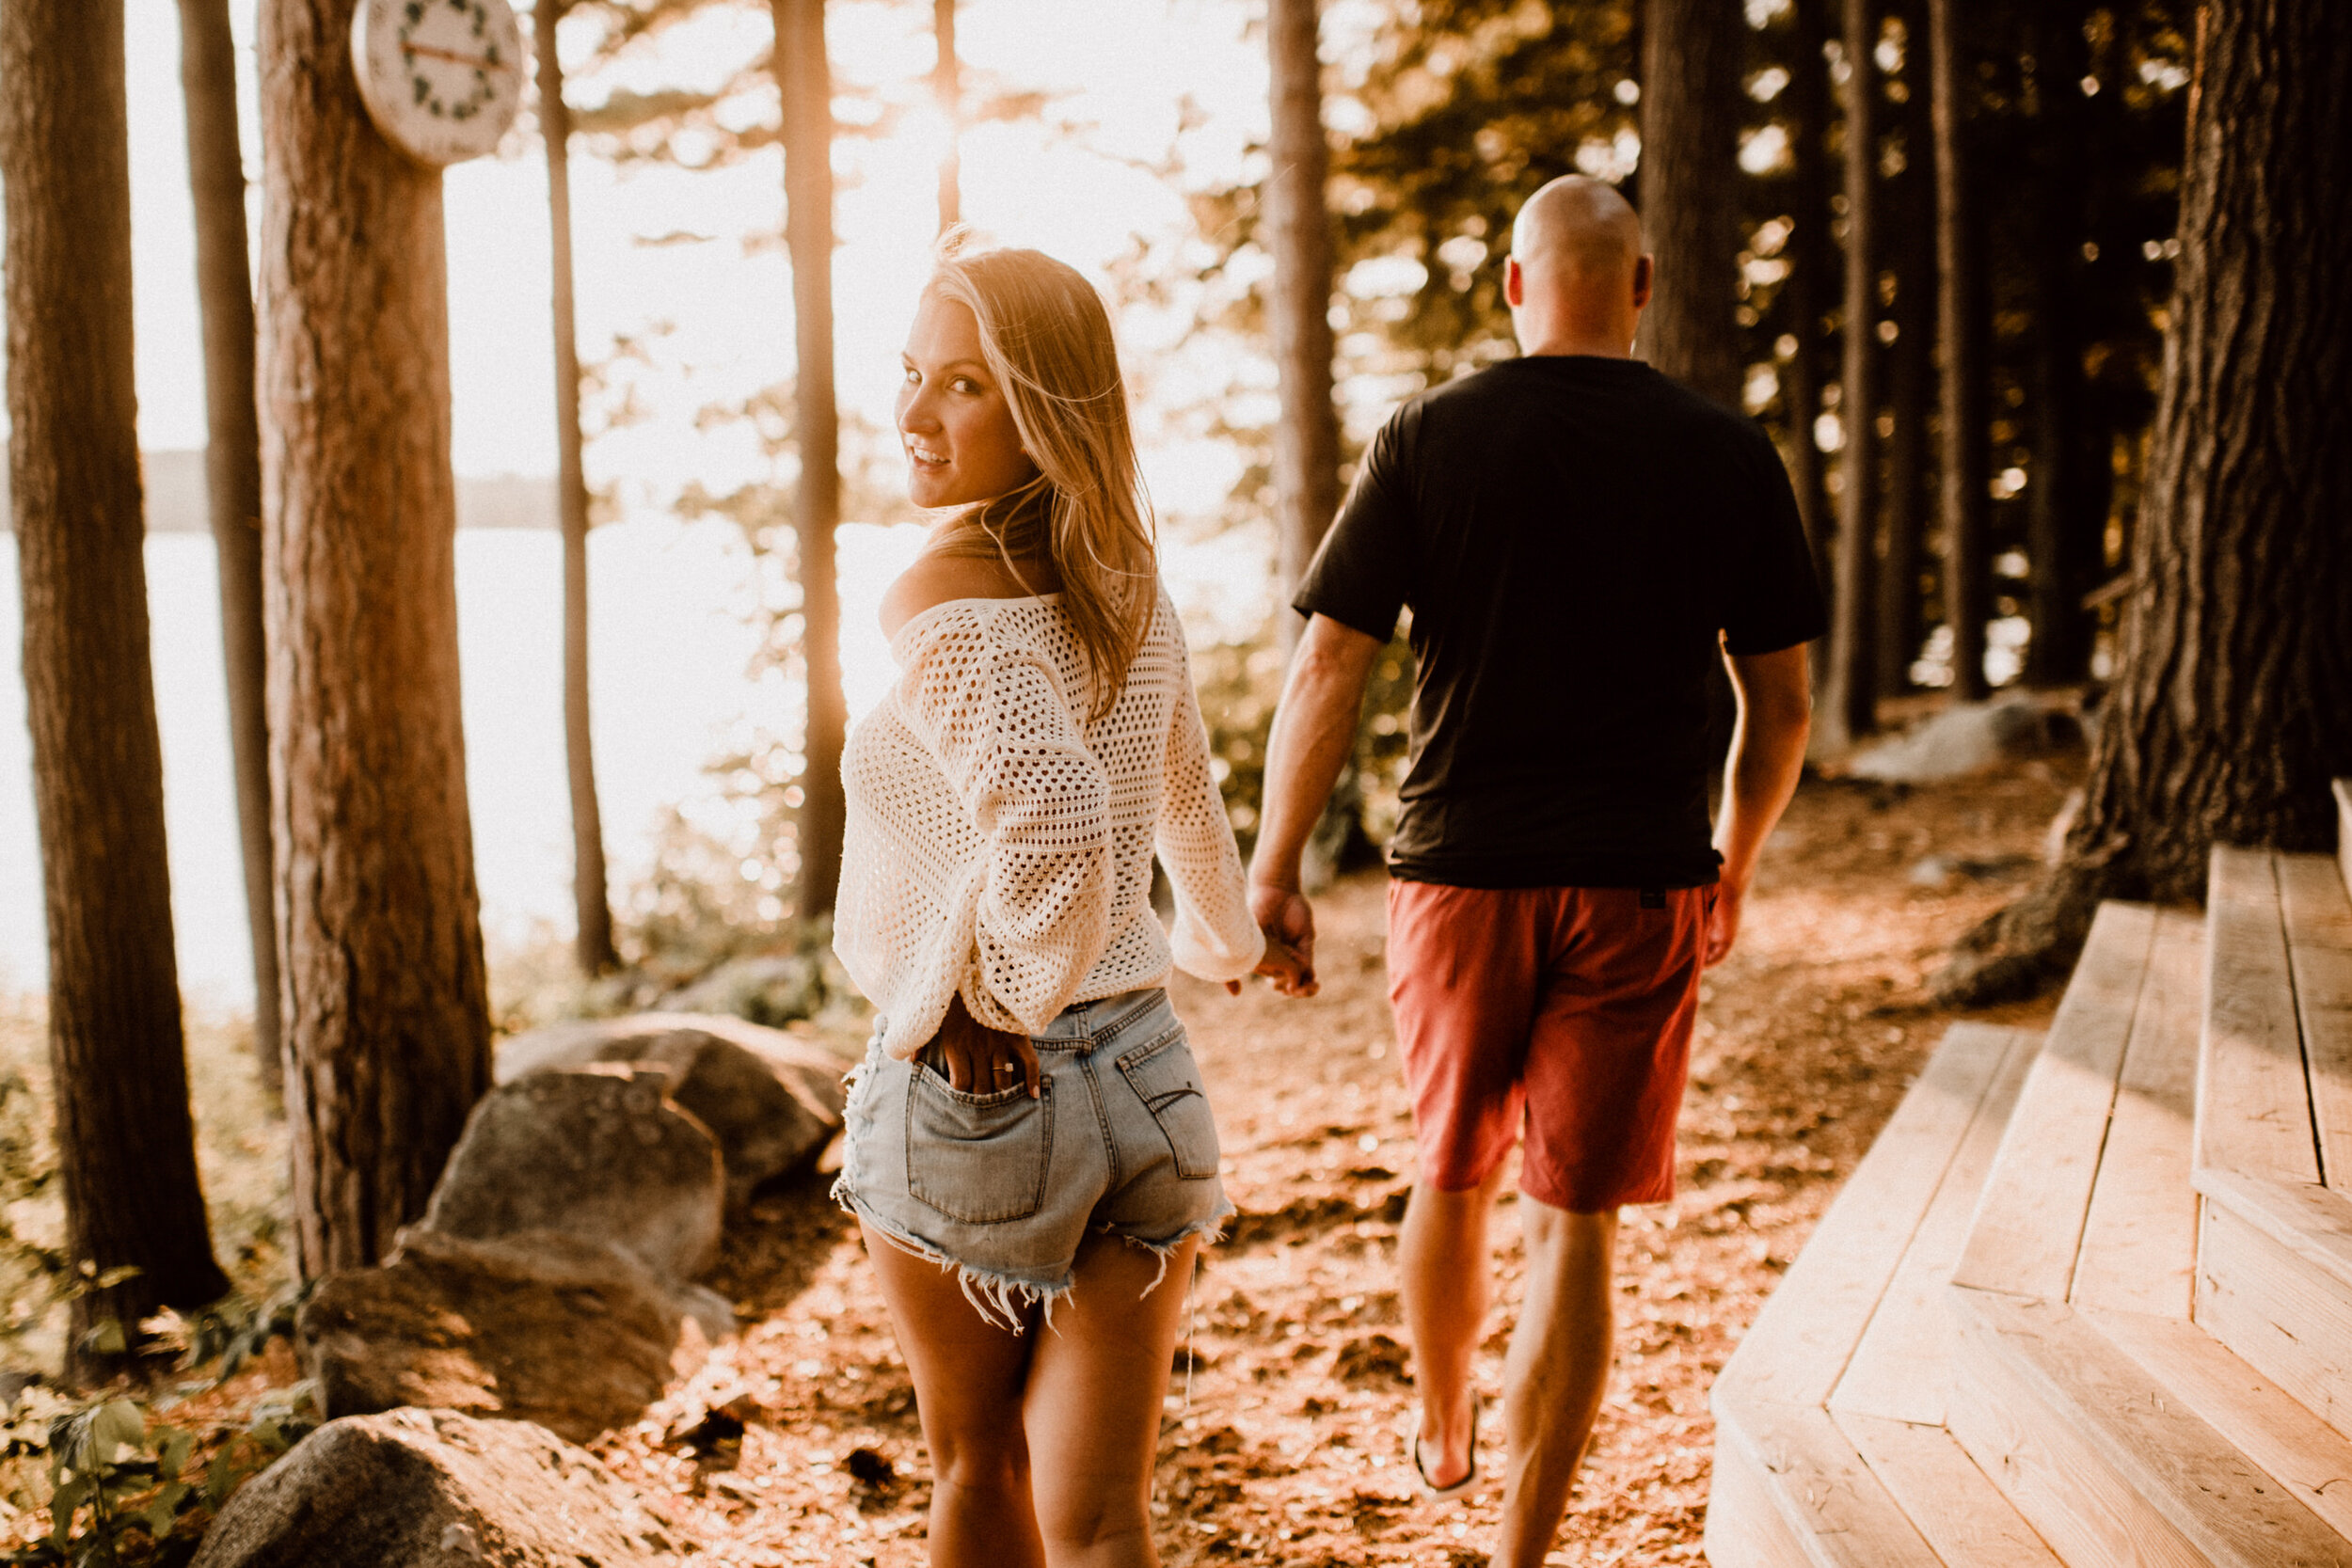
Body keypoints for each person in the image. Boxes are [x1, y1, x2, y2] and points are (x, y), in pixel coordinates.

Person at [1245, 175, 1821, 1567]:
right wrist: (1732, 863)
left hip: (1457, 877)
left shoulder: (1431, 434)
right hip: (1639, 878)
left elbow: (1330, 660)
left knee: (1450, 1175)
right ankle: (1520, 1553)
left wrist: (1275, 864)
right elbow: (1782, 704)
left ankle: (1442, 1428)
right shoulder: (1728, 452)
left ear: (1515, 285)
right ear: (1641, 286)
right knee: (1577, 1225)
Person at [829, 234, 1266, 1568]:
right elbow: (1180, 787)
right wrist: (1229, 942)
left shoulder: (943, 601)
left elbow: (1061, 814)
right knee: (1103, 1521)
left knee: (976, 1470)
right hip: (1149, 1077)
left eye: (962, 384)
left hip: (992, 1098)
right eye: (912, 374)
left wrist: (997, 996)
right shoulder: (1129, 579)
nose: (912, 415)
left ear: (1048, 408)